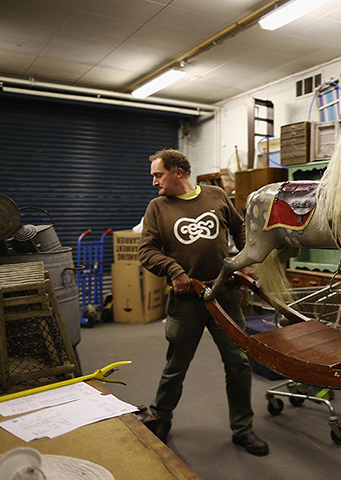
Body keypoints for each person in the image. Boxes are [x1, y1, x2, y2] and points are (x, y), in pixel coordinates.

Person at [137, 148, 269, 456]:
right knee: (176, 365)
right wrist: (174, 270)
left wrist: (244, 258)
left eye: (159, 175)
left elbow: (239, 228)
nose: (154, 182)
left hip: (225, 295)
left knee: (237, 362)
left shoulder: (216, 195)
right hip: (187, 300)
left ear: (178, 172)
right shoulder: (157, 207)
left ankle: (243, 428)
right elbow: (147, 251)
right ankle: (161, 417)